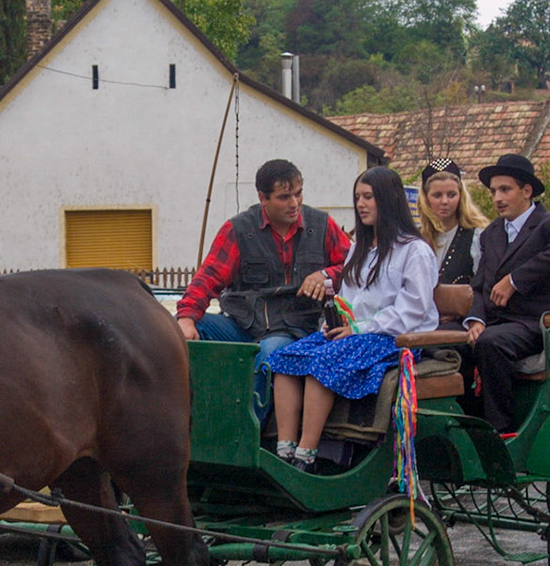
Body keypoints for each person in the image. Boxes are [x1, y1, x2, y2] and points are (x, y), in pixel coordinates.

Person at [267, 168, 438, 469]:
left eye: (368, 197)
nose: (360, 204)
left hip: (393, 338)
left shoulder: (415, 251)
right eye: (358, 197)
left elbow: (412, 311)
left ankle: (307, 455)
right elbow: (347, 298)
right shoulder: (360, 248)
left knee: (323, 363)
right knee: (284, 359)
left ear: (389, 199)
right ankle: (284, 449)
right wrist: (334, 320)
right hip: (354, 333)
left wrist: (359, 328)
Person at [177, 158, 353, 402]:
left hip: (294, 330)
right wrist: (186, 318)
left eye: (298, 194)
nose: (294, 203)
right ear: (263, 198)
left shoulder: (323, 226)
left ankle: (248, 423)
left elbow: (356, 267)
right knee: (184, 331)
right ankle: (193, 412)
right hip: (242, 326)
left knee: (270, 353)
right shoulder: (238, 229)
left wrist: (326, 275)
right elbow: (208, 277)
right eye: (284, 197)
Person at [463, 153, 550, 431]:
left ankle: (499, 431)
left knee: (491, 343)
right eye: (493, 191)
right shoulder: (492, 232)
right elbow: (479, 286)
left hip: (535, 324)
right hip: (495, 322)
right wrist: (475, 319)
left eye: (505, 190)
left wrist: (514, 280)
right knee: (448, 340)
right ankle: (465, 426)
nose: (497, 198)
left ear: (526, 191)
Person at [415, 158, 489, 285]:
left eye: (451, 195)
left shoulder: (476, 237)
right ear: (426, 198)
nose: (445, 201)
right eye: (437, 195)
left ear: (461, 196)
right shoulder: (415, 238)